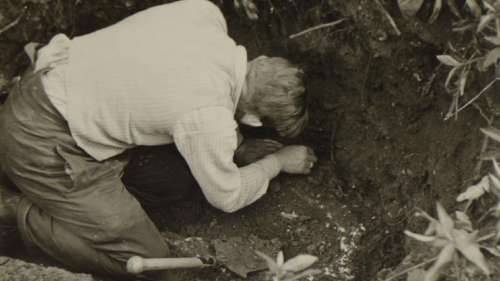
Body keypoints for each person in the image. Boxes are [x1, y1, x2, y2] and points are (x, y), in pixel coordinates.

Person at [0, 0, 316, 278]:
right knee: (152, 261)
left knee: (171, 180)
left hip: (48, 85)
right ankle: (19, 213)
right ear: (253, 121)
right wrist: (277, 161)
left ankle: (77, 198)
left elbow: (171, 87)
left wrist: (238, 146)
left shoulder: (203, 13)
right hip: (40, 141)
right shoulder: (208, 116)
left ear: (259, 60)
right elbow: (227, 196)